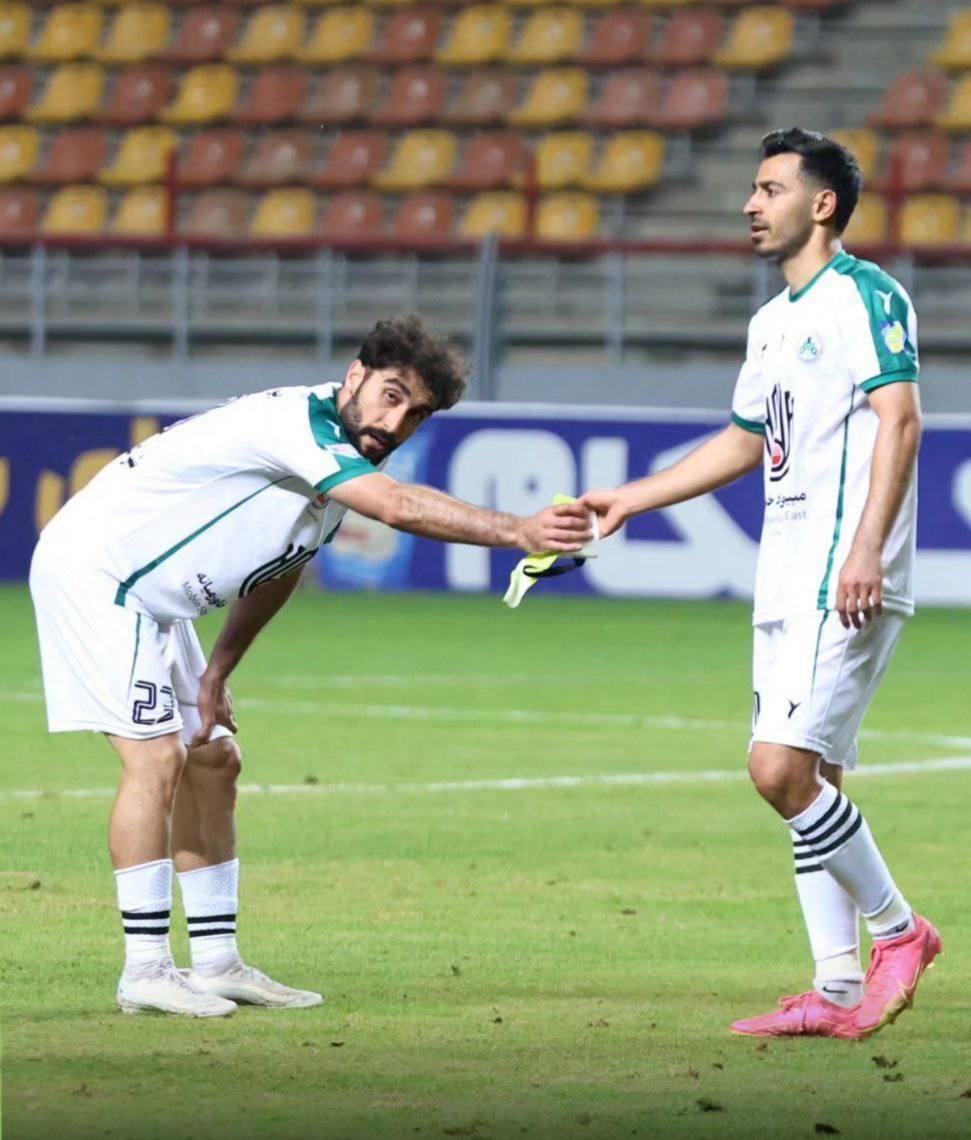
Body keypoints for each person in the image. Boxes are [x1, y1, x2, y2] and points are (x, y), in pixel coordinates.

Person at [29, 315, 592, 1018]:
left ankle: (217, 963)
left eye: (415, 414)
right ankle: (145, 970)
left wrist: (218, 672)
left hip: (156, 601)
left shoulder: (338, 460)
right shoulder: (297, 424)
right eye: (390, 395)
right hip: (100, 577)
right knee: (156, 758)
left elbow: (281, 567)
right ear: (356, 374)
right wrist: (518, 530)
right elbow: (395, 507)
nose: (394, 423)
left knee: (214, 758)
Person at [581, 128, 939, 1040]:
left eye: (769, 188)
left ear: (821, 204)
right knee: (811, 777)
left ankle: (900, 933)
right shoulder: (771, 319)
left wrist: (865, 551)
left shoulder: (865, 295)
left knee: (776, 771)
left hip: (841, 572)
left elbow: (901, 422)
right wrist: (631, 497)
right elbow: (744, 442)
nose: (749, 203)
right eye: (751, 187)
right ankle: (838, 988)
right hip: (783, 574)